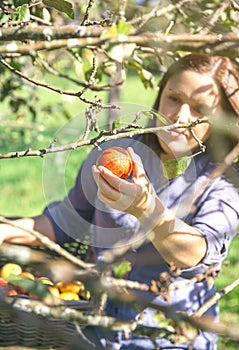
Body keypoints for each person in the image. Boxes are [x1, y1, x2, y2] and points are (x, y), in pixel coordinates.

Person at [1, 53, 239, 349]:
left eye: (200, 108)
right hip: (97, 326)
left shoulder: (223, 183)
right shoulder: (119, 150)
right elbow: (68, 219)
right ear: (160, 94)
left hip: (168, 336)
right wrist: (6, 231)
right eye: (174, 98)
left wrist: (148, 210)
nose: (180, 116)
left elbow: (195, 253)